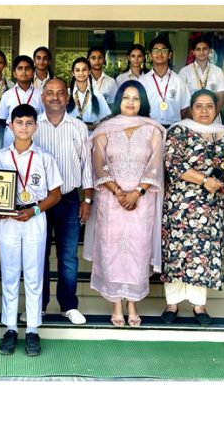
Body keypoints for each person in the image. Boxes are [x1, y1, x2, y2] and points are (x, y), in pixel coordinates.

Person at [83, 80, 165, 327]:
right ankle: (117, 304)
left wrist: (137, 192)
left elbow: (156, 164)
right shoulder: (104, 129)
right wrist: (118, 191)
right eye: (126, 97)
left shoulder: (153, 129)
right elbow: (99, 164)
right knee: (113, 250)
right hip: (111, 201)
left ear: (143, 102)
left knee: (137, 251)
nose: (131, 102)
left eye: (136, 98)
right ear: (119, 100)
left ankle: (133, 304)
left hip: (142, 201)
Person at [161, 89, 224, 326]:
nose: (204, 111)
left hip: (212, 207)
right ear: (190, 109)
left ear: (217, 108)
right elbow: (173, 164)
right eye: (199, 106)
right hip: (181, 206)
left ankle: (199, 305)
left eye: (209, 106)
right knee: (176, 252)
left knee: (204, 254)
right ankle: (171, 304)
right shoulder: (178, 131)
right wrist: (204, 180)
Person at [0, 104, 62, 357]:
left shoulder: (45, 157)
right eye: (19, 122)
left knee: (34, 274)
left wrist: (34, 210)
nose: (24, 127)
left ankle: (33, 330)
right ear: (10, 125)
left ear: (36, 126)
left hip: (35, 217)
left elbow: (55, 194)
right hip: (9, 219)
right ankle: (10, 328)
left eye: (29, 123)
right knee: (10, 274)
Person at [34, 78, 92, 325]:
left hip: (69, 199)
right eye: (50, 93)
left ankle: (68, 305)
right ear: (42, 97)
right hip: (40, 201)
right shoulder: (32, 125)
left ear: (67, 98)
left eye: (60, 93)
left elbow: (86, 164)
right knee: (39, 255)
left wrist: (87, 198)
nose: (55, 97)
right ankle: (39, 306)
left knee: (68, 256)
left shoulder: (78, 127)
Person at [139, 36, 190, 128]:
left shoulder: (179, 81)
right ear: (150, 56)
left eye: (164, 50)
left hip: (174, 129)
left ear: (169, 55)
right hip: (149, 128)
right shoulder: (142, 82)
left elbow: (185, 109)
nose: (159, 53)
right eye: (155, 51)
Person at [0, 55, 44, 148]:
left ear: (33, 73)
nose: (23, 71)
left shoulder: (41, 95)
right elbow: (2, 119)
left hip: (34, 135)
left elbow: (44, 117)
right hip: (11, 136)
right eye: (20, 68)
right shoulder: (7, 95)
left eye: (27, 68)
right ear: (14, 73)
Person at [178, 35, 224, 115]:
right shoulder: (184, 72)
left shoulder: (218, 71)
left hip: (213, 119)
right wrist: (191, 117)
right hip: (191, 119)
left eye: (204, 49)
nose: (201, 52)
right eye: (198, 49)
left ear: (209, 50)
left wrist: (211, 118)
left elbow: (221, 99)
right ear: (193, 52)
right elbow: (180, 99)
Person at [66, 57, 112, 131]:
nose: (81, 73)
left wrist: (91, 127)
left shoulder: (97, 94)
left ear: (89, 72)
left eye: (84, 70)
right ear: (73, 73)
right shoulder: (67, 94)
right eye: (77, 70)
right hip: (71, 135)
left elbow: (106, 118)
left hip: (92, 134)